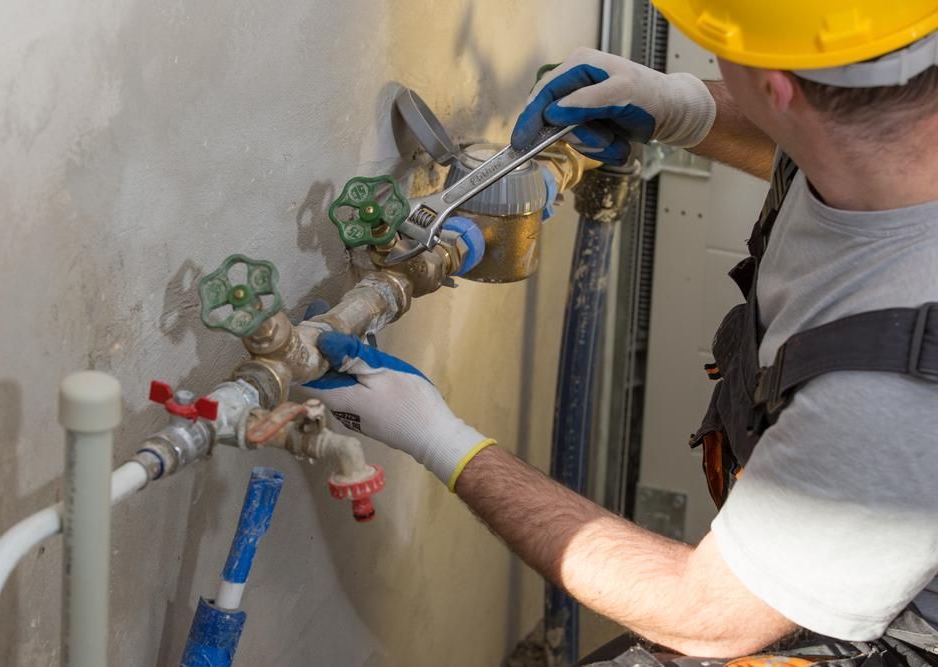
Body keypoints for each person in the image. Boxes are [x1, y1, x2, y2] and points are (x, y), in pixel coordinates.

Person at [306, 2, 938, 665]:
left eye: (716, 45)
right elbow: (816, 130)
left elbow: (708, 615)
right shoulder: (890, 122)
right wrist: (680, 107)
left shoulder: (892, 383)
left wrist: (439, 437)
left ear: (779, 84)